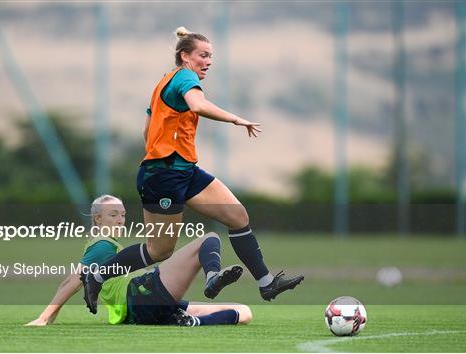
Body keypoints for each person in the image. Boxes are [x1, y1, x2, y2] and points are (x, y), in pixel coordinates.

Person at [82, 27, 303, 314]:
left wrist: (165, 151)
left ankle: (266, 282)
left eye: (211, 56)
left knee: (237, 216)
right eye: (203, 55)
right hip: (164, 174)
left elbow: (147, 130)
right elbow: (197, 106)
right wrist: (236, 120)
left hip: (183, 169)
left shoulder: (165, 81)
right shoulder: (184, 77)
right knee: (159, 250)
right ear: (185, 56)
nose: (208, 61)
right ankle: (96, 276)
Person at [26, 195, 251, 327]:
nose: (120, 220)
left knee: (244, 312)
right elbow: (72, 281)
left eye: (122, 214)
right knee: (209, 239)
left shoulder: (111, 246)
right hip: (142, 295)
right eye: (113, 215)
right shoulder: (102, 244)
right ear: (97, 219)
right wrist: (45, 318)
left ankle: (190, 322)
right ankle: (212, 277)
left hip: (142, 309)